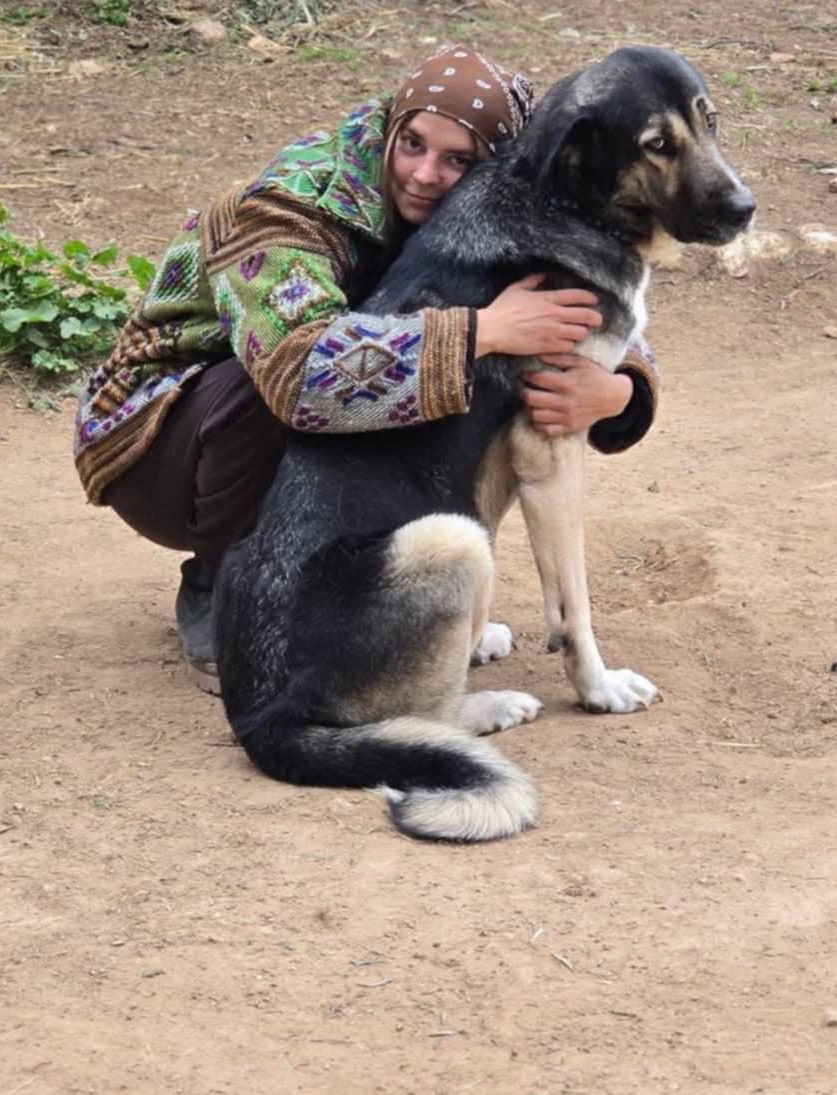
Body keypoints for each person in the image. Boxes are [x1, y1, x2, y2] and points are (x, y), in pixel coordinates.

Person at [73, 44, 658, 679]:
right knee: (280, 387)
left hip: (291, 406)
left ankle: (375, 607)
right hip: (159, 440)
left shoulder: (498, 205)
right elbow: (297, 375)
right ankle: (223, 587)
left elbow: (580, 292)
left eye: (457, 160)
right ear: (391, 129)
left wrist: (620, 389)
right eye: (413, 145)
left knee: (441, 381)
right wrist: (480, 331)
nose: (425, 174)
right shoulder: (290, 205)